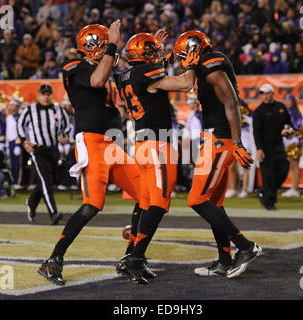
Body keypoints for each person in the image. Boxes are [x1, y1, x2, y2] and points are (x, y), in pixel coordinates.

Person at [37, 22, 145, 286]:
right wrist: (113, 45)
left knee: (148, 197)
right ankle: (53, 260)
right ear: (94, 45)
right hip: (92, 141)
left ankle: (131, 258)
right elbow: (96, 80)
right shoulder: (75, 68)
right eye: (106, 43)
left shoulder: (107, 71)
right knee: (93, 204)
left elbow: (131, 80)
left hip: (113, 144)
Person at [174, 30, 261, 279]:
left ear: (194, 50)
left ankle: (245, 246)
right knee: (215, 203)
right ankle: (224, 261)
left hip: (220, 139)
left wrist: (236, 142)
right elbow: (184, 78)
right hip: (215, 137)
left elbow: (231, 103)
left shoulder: (212, 66)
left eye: (183, 54)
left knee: (197, 199)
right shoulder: (203, 65)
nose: (182, 60)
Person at [116, 31, 197, 284]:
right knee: (159, 204)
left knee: (146, 202)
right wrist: (191, 62)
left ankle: (131, 255)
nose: (158, 55)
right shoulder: (144, 74)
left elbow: (156, 79)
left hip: (142, 145)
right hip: (157, 145)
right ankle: (135, 259)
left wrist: (162, 55)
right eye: (152, 51)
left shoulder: (127, 75)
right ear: (143, 55)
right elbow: (185, 84)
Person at [17, 84, 71, 225]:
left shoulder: (58, 109)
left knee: (49, 181)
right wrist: (24, 141)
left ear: (51, 95)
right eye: (43, 94)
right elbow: (19, 124)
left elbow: (67, 124)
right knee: (46, 181)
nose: (46, 97)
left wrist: (64, 134)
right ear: (39, 95)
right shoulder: (30, 109)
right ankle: (53, 213)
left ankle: (31, 202)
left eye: (48, 94)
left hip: (53, 149)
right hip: (38, 149)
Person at [253, 83, 293, 210]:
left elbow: (289, 125)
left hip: (278, 146)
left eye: (267, 93)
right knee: (268, 176)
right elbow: (256, 132)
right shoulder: (258, 111)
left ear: (272, 94)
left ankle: (264, 192)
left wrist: (288, 131)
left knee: (283, 170)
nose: (265, 96)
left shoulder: (281, 107)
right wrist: (259, 149)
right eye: (263, 94)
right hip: (265, 148)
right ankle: (269, 202)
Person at [281, 94, 303, 197]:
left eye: (290, 100)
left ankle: (295, 188)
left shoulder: (296, 114)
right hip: (287, 142)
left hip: (294, 141)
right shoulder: (283, 112)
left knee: (295, 165)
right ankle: (293, 188)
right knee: (291, 165)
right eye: (286, 100)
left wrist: (291, 131)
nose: (288, 102)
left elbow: (298, 128)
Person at [5, 97, 23, 190]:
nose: (12, 107)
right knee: (10, 164)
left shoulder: (20, 117)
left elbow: (21, 131)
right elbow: (8, 131)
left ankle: (17, 182)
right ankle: (11, 181)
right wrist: (6, 143)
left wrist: (18, 144)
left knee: (17, 163)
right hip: (10, 142)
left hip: (17, 142)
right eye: (11, 105)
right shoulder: (8, 118)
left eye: (14, 106)